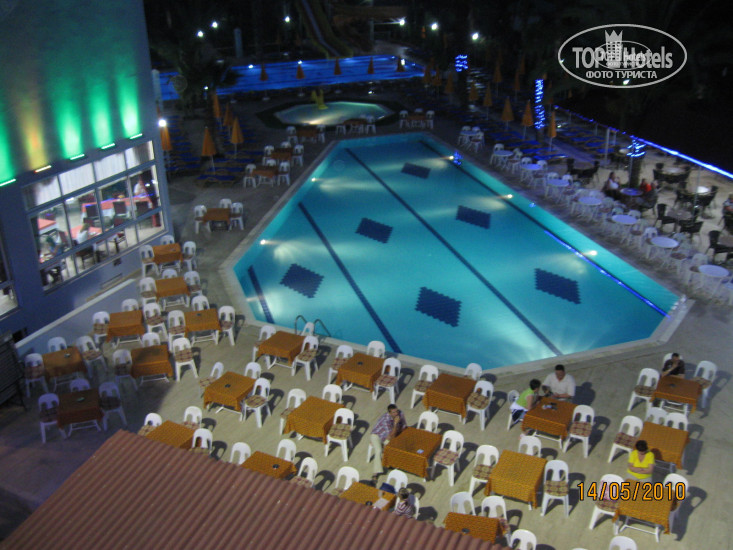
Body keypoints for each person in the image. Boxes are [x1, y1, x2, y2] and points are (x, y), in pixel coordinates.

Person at [369, 404, 406, 483]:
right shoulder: (385, 420)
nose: (396, 413)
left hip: (387, 436)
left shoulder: (400, 413)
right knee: (378, 451)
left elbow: (404, 425)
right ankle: (375, 473)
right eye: (393, 412)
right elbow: (391, 435)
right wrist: (395, 424)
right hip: (377, 435)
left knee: (397, 444)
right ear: (389, 413)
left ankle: (390, 463)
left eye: (396, 411)